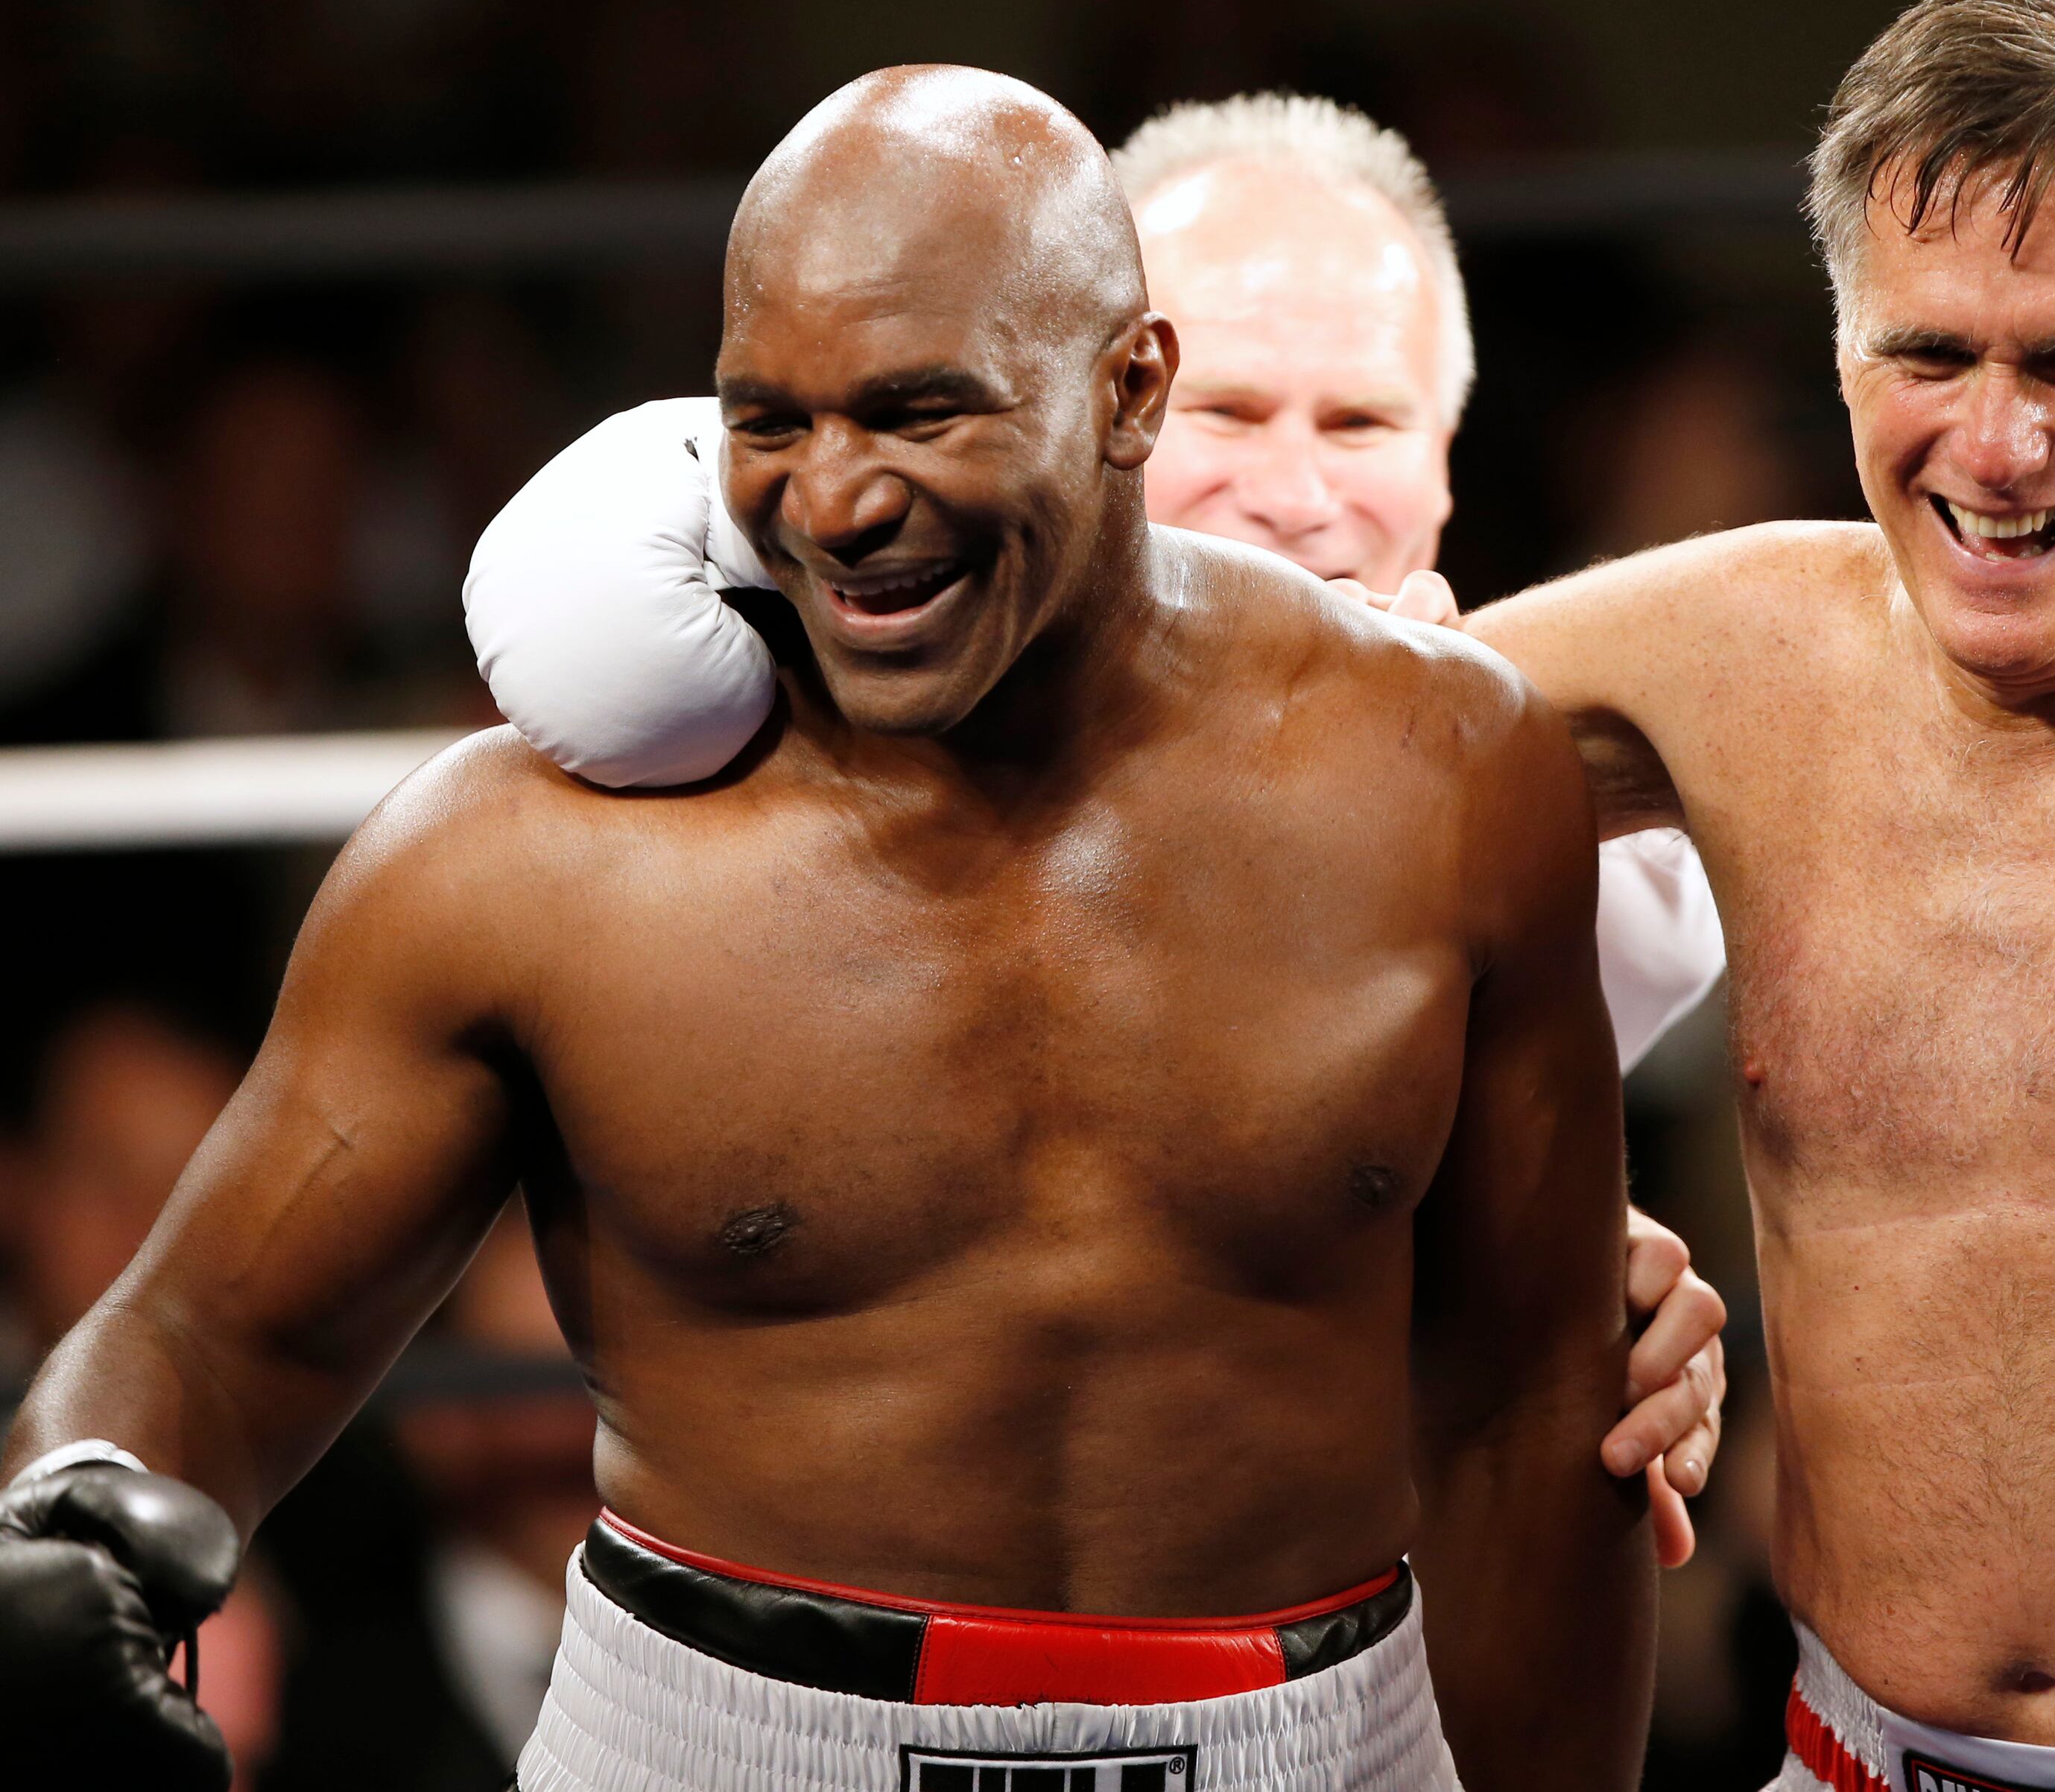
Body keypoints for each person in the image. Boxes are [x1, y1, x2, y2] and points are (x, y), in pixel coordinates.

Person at [425, 0, 2055, 1791]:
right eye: (1928, 354)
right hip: (1856, 1756)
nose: (1993, 444)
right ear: (1837, 344)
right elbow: (1205, 745)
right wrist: (744, 547)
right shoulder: (1722, 661)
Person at [0, 66, 1657, 1792]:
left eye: (921, 410)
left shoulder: (1445, 777)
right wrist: (70, 1540)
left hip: (1314, 1733)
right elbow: (205, 1333)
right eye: (771, 420)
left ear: (1131, 389)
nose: (838, 502)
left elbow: (1534, 1418)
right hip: (710, 1733)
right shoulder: (531, 853)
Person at [462, 90, 1732, 1554]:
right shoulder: (810, 682)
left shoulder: (1559, 841)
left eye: (1363, 420)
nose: (1300, 494)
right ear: (1106, 401)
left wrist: (1581, 1293)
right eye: (1233, 412)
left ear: (1444, 468)